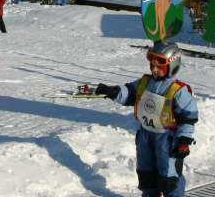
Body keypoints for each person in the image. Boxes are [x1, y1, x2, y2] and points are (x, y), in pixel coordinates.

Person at [80, 41, 198, 197]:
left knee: (169, 176)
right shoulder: (145, 82)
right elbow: (129, 93)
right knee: (146, 173)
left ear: (172, 65)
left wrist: (184, 141)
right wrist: (112, 91)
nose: (154, 69)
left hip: (167, 139)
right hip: (145, 136)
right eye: (152, 65)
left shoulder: (178, 90)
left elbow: (188, 117)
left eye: (159, 67)